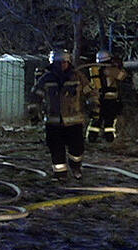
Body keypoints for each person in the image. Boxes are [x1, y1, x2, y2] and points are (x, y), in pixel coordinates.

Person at [29, 48, 95, 180]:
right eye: (58, 63)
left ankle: (75, 166)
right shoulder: (46, 79)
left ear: (68, 62)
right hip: (53, 122)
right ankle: (60, 174)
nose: (61, 65)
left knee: (77, 149)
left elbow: (90, 92)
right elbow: (35, 97)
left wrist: (94, 107)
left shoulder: (78, 77)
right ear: (53, 64)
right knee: (56, 149)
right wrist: (34, 114)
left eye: (64, 62)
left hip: (74, 121)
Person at [85, 50, 128, 142]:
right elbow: (122, 76)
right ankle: (109, 138)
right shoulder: (111, 69)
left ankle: (92, 137)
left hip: (97, 98)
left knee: (96, 119)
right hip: (110, 99)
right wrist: (120, 67)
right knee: (109, 119)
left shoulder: (93, 69)